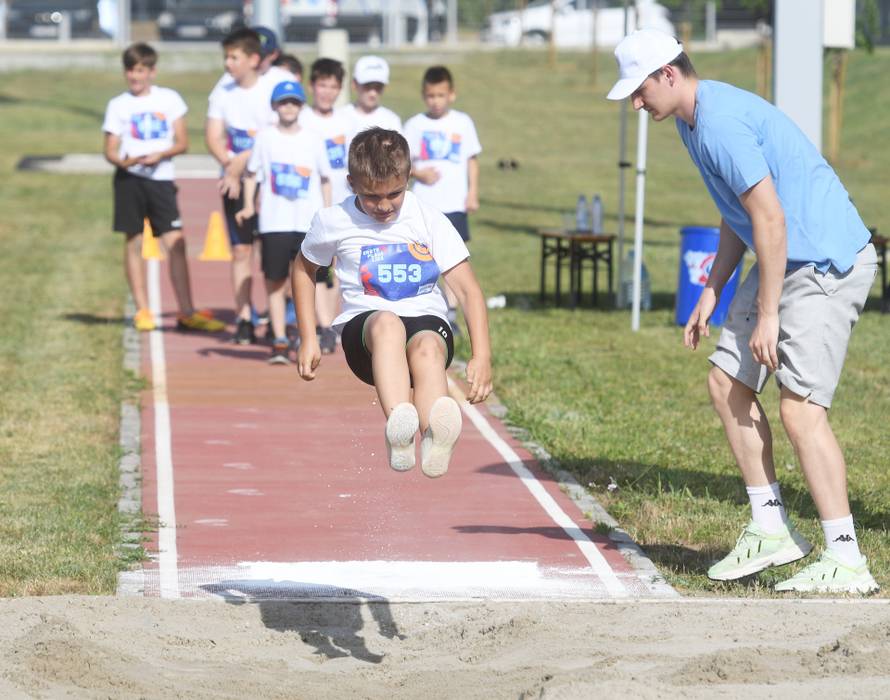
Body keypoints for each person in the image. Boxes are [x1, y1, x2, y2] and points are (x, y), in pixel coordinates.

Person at [607, 29, 879, 593]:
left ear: (668, 74)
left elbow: (771, 220)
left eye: (638, 90)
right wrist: (713, 289)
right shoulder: (690, 122)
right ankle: (771, 527)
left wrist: (770, 313)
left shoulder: (721, 124)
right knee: (727, 381)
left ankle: (847, 557)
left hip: (825, 262)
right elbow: (739, 213)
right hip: (790, 257)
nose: (636, 104)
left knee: (801, 412)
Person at [292, 128, 492, 478]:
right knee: (387, 323)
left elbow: (468, 290)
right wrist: (309, 335)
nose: (384, 206)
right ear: (351, 182)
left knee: (428, 346)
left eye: (394, 194)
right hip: (366, 334)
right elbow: (303, 269)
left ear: (408, 178)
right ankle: (399, 426)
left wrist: (482, 356)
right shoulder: (334, 221)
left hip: (425, 320)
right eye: (372, 197)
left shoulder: (429, 219)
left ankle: (433, 437)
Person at [102, 42, 224, 334]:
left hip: (160, 180)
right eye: (130, 70)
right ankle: (143, 309)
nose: (135, 76)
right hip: (129, 181)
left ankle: (186, 310)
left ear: (152, 71)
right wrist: (123, 160)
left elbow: (182, 142)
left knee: (176, 243)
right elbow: (109, 149)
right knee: (132, 243)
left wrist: (160, 154)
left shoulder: (169, 100)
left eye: (141, 70)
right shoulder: (118, 105)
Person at [235, 80, 332, 364]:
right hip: (274, 223)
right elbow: (252, 174)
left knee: (308, 281)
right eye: (283, 102)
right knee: (275, 282)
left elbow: (325, 179)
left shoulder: (313, 139)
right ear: (275, 106)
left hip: (308, 224)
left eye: (293, 102)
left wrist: (327, 213)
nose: (288, 107)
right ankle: (278, 338)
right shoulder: (265, 138)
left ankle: (307, 335)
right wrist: (247, 206)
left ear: (301, 106)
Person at [205, 28, 277, 345]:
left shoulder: (272, 88)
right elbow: (213, 135)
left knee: (274, 251)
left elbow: (273, 135)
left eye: (234, 57)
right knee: (240, 249)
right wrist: (228, 165)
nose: (228, 64)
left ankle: (280, 312)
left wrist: (240, 161)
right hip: (234, 180)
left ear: (253, 59)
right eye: (226, 57)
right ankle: (244, 316)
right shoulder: (223, 93)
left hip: (269, 182)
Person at [403, 65, 481, 334]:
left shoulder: (462, 122)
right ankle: (425, 306)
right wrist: (418, 173)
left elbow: (472, 160)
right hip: (425, 203)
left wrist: (472, 193)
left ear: (452, 95)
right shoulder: (414, 125)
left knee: (453, 259)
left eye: (440, 95)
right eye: (430, 96)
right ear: (424, 96)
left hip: (454, 203)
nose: (435, 101)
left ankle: (450, 312)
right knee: (425, 258)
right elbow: (401, 165)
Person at [298, 57, 353, 354]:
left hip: (340, 202)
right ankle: (308, 323)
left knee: (331, 268)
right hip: (306, 202)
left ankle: (328, 324)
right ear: (312, 86)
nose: (327, 92)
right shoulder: (302, 118)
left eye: (333, 87)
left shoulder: (347, 122)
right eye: (322, 85)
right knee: (305, 264)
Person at [338, 55, 402, 144]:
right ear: (354, 84)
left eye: (378, 87)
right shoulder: (340, 118)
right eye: (367, 86)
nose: (373, 93)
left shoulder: (391, 121)